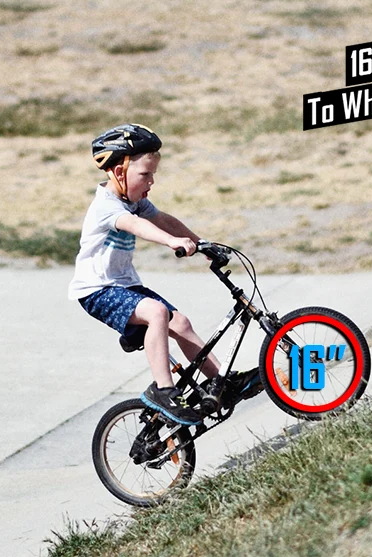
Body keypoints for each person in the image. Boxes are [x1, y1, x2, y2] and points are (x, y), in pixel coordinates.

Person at [69, 123, 256, 425]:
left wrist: (201, 244)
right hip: (97, 290)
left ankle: (221, 382)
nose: (151, 181)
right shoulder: (106, 206)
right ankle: (163, 390)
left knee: (179, 322)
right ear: (119, 172)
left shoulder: (135, 201)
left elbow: (162, 218)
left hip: (125, 285)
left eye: (153, 174)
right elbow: (138, 226)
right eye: (145, 175)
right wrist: (171, 242)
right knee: (157, 313)